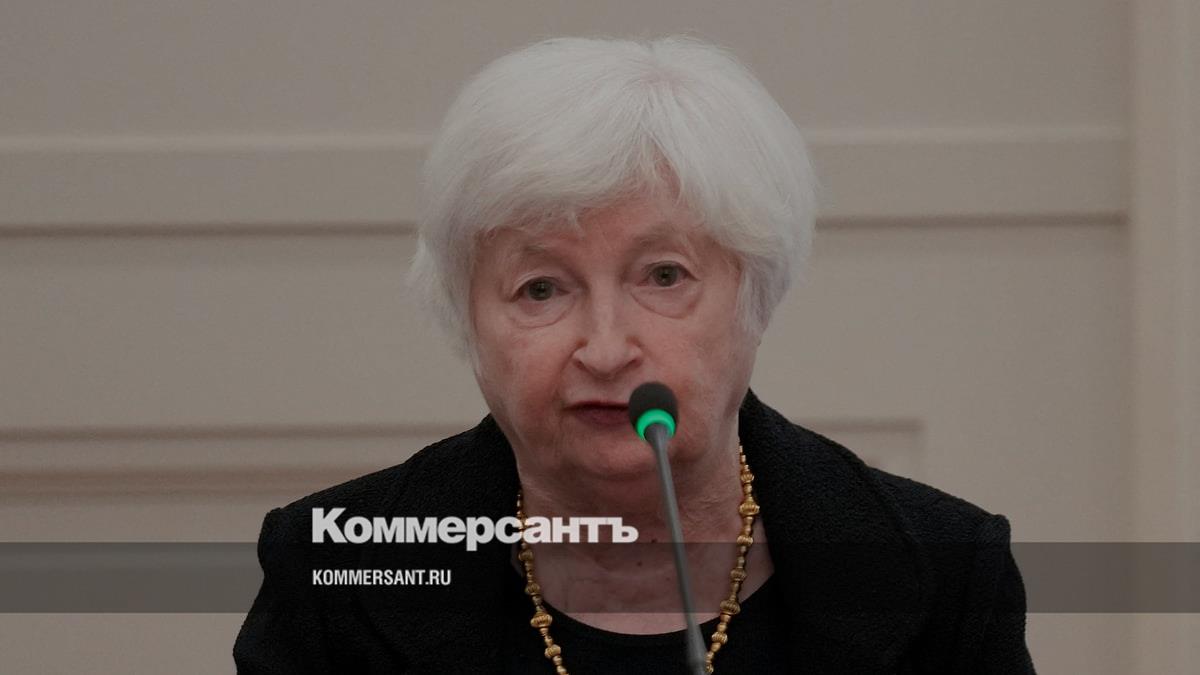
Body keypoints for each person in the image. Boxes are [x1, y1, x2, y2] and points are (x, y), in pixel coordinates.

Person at [233, 36, 1035, 674]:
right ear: (466, 318)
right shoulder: (334, 571)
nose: (607, 348)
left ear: (755, 297)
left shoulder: (944, 571)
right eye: (541, 288)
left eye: (664, 276)